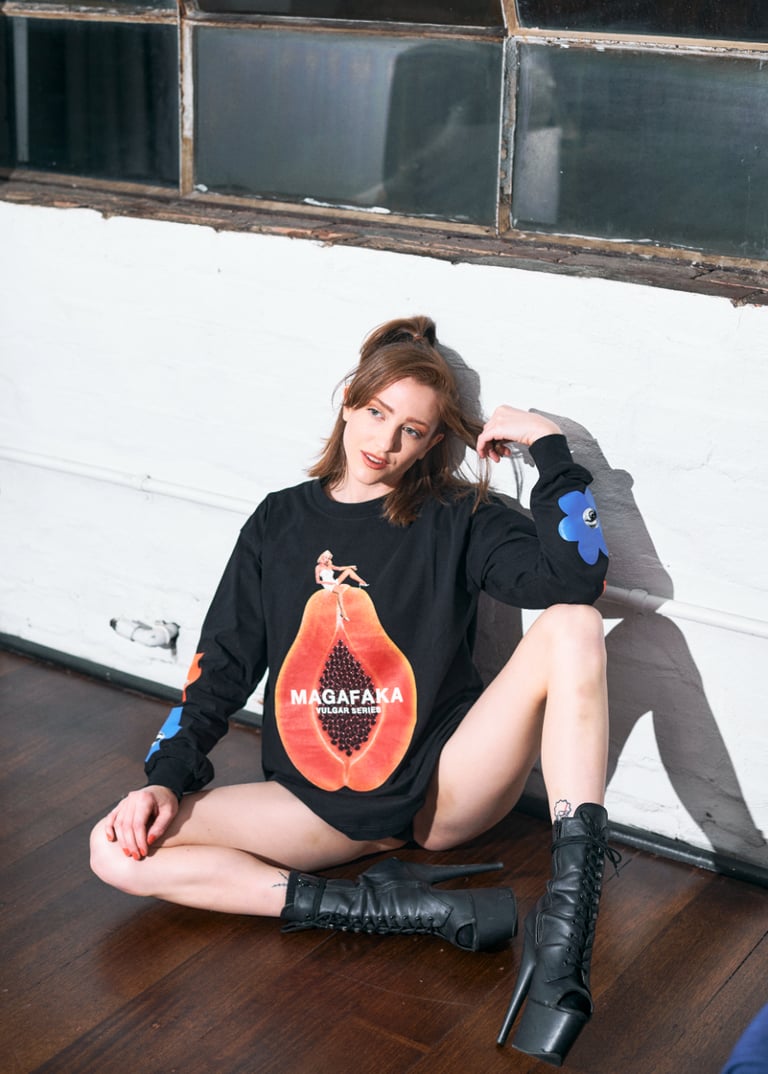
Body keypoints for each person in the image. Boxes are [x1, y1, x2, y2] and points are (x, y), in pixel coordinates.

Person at [90, 315, 616, 1066]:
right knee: (114, 851)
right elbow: (220, 668)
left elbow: (577, 580)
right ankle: (402, 909)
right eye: (376, 412)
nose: (385, 441)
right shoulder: (278, 521)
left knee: (573, 627)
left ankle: (566, 934)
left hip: (442, 790)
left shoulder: (458, 517)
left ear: (433, 442)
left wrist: (550, 449)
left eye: (411, 430)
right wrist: (162, 781)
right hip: (318, 806)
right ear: (347, 402)